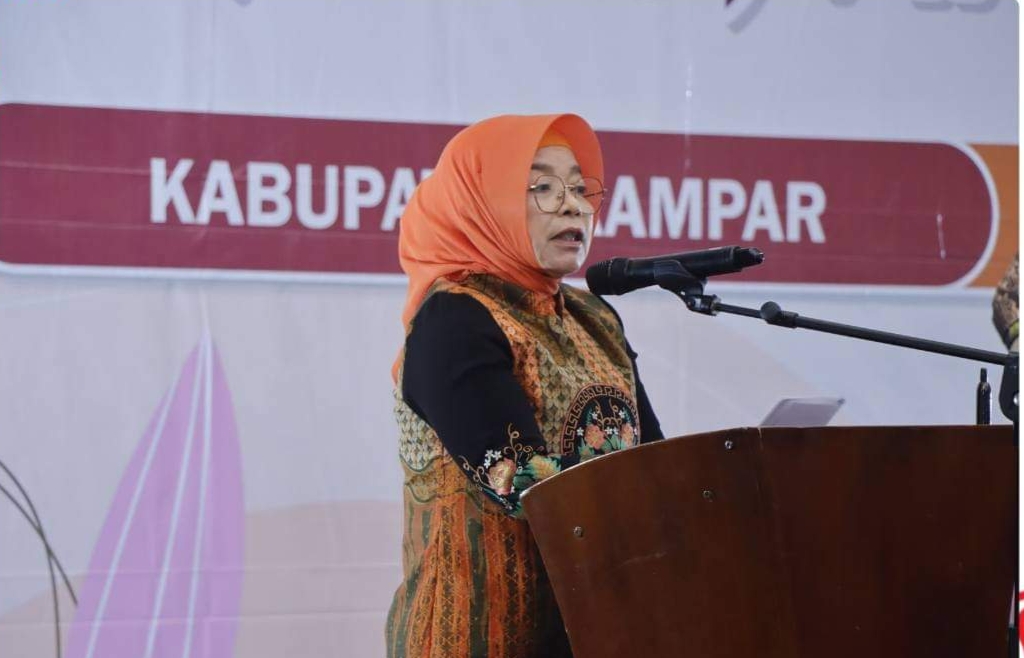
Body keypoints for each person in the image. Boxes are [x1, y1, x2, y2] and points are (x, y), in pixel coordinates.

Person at [384, 113, 664, 658]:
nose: (573, 205)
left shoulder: (595, 318)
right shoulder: (454, 319)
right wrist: (656, 494)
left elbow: (652, 456)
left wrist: (709, 484)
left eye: (579, 188)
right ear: (482, 203)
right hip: (479, 631)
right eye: (542, 187)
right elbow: (520, 480)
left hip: (596, 627)